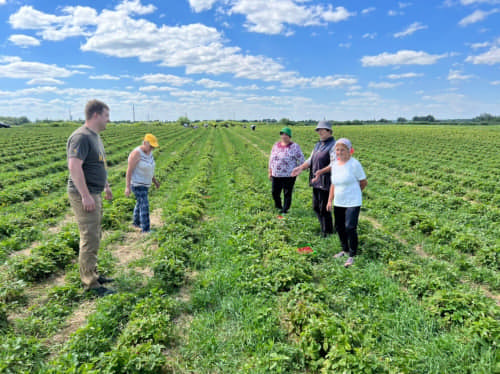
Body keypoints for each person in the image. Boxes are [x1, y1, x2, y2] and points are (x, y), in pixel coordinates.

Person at [67, 100, 115, 297]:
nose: (108, 120)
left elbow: (97, 165)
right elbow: (74, 167)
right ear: (96, 115)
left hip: (94, 192)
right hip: (83, 195)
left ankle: (93, 272)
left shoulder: (95, 137)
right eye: (106, 115)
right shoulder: (81, 137)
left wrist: (106, 185)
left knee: (95, 234)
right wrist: (86, 196)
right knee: (89, 237)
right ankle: (90, 283)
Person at [326, 138, 367, 267]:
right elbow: (333, 184)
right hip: (339, 201)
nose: (339, 152)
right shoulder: (335, 165)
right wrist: (329, 200)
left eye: (342, 149)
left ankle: (352, 255)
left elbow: (363, 182)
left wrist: (354, 192)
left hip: (353, 202)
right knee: (339, 226)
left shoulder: (355, 164)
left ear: (349, 151)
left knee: (350, 227)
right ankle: (344, 249)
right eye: (337, 150)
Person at [292, 121, 336, 237]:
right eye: (318, 130)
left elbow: (334, 164)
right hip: (316, 181)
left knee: (324, 208)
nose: (320, 132)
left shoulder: (333, 145)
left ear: (329, 131)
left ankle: (327, 232)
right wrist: (300, 168)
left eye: (322, 129)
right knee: (316, 207)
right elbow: (310, 160)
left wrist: (321, 171)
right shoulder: (318, 145)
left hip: (327, 181)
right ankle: (324, 228)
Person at [125, 134, 160, 233]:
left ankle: (136, 223)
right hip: (137, 184)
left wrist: (155, 181)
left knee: (140, 203)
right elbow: (129, 171)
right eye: (151, 146)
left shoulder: (149, 153)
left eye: (153, 147)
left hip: (146, 184)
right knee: (145, 205)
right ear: (145, 143)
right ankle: (146, 229)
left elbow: (150, 169)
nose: (152, 148)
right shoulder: (136, 153)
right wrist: (127, 187)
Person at [268, 127, 305, 214]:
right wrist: (270, 171)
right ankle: (278, 207)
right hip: (276, 174)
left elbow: (302, 160)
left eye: (286, 134)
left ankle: (285, 210)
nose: (284, 136)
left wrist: (298, 169)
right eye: (282, 134)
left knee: (287, 193)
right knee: (275, 193)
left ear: (289, 136)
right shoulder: (276, 145)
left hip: (289, 175)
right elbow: (271, 159)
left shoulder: (294, 147)